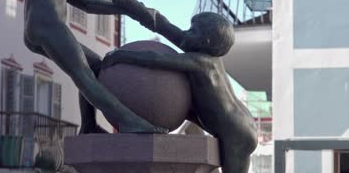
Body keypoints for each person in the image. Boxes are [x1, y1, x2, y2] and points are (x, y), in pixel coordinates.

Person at [24, 0, 166, 134]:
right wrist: (130, 3)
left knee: (95, 65)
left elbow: (88, 3)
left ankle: (89, 125)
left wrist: (124, 10)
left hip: (38, 29)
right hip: (47, 25)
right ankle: (129, 121)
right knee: (83, 73)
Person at [102, 12, 258, 173]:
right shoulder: (203, 53)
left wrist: (121, 55)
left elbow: (156, 60)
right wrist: (134, 8)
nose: (187, 34)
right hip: (238, 122)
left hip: (237, 132)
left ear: (206, 41)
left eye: (193, 31)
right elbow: (168, 29)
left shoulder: (202, 62)